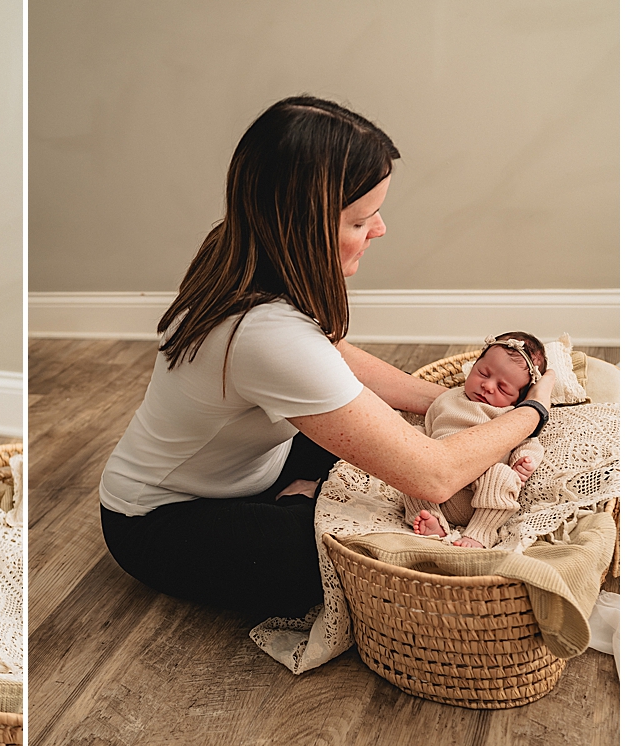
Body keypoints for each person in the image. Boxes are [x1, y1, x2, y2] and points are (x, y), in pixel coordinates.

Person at [99, 95, 555, 618]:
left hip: (255, 467)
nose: (379, 229)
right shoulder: (265, 334)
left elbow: (331, 354)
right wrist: (533, 412)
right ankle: (298, 500)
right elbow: (435, 475)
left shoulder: (242, 251)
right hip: (160, 518)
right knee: (347, 553)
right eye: (361, 220)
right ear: (305, 225)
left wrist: (461, 403)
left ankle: (300, 491)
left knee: (379, 446)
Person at [406, 331, 547, 548]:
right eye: (483, 373)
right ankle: (431, 520)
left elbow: (528, 441)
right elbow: (429, 428)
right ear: (473, 366)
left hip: (482, 496)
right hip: (436, 485)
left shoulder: (510, 415)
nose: (488, 386)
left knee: (501, 474)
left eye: (502, 388)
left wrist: (524, 460)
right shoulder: (447, 399)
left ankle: (480, 533)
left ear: (519, 399)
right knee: (409, 465)